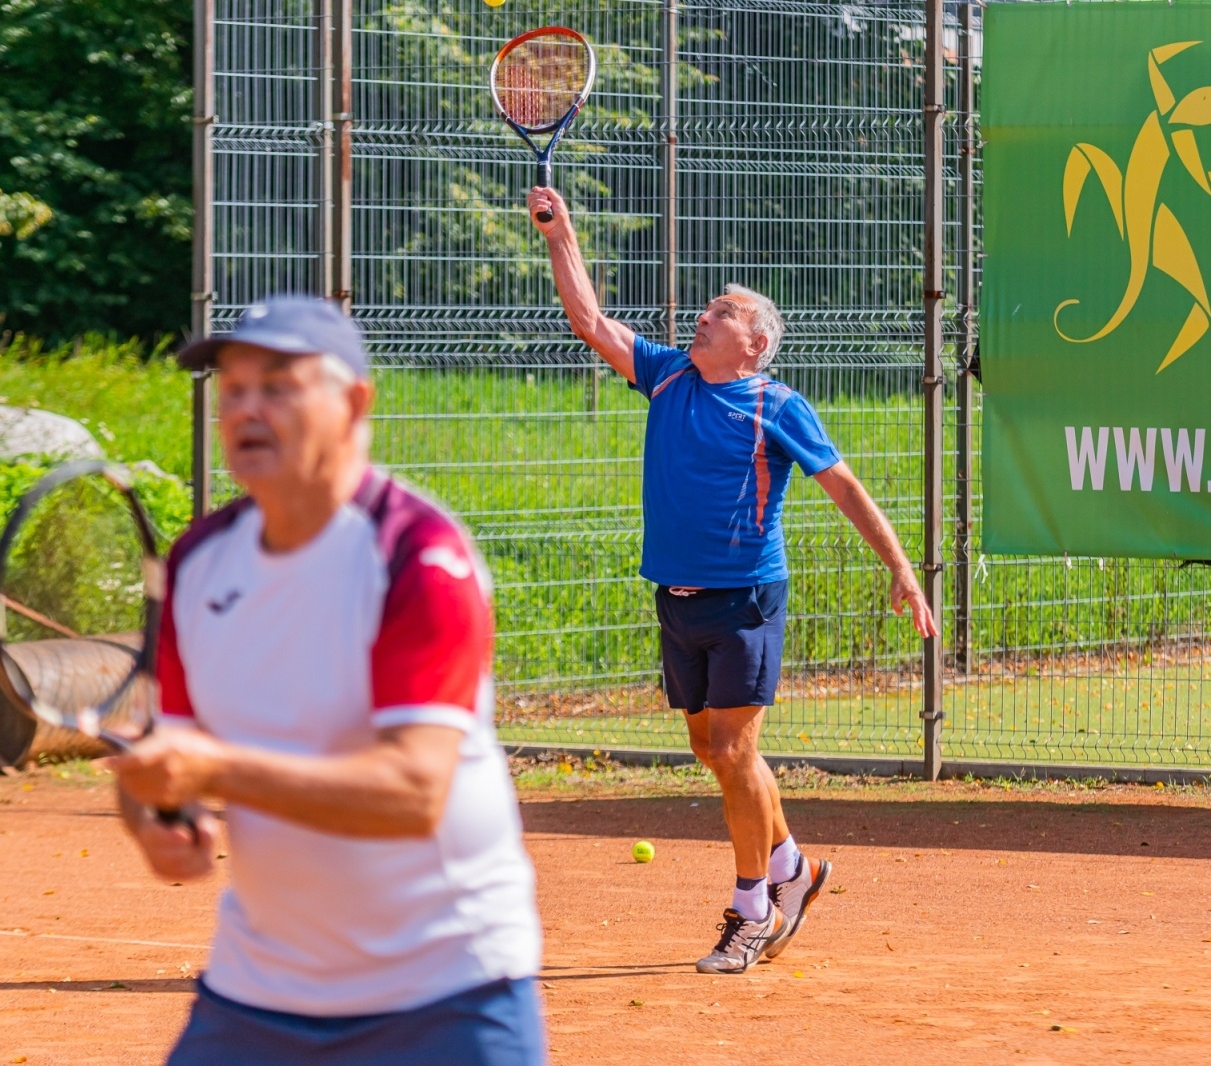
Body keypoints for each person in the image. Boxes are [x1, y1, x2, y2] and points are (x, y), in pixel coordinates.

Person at [105, 297, 546, 1065]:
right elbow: (169, 751)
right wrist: (155, 820)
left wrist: (217, 771)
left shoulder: (419, 557)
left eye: (278, 386)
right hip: (257, 992)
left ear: (354, 403)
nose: (247, 408)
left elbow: (413, 792)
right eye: (233, 388)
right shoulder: (199, 561)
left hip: (446, 992)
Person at [529, 186, 938, 975]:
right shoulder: (667, 375)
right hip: (675, 596)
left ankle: (753, 910)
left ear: (755, 342)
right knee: (710, 751)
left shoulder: (775, 405)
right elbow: (590, 321)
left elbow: (844, 487)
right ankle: (792, 867)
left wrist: (901, 569)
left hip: (746, 598)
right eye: (708, 308)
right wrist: (560, 235)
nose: (703, 316)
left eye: (722, 311)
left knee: (734, 747)